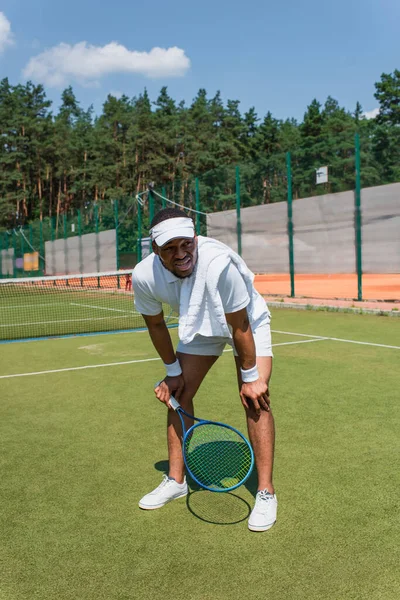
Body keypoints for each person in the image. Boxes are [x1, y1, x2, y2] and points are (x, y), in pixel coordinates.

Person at [132, 207, 277, 532]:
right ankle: (176, 480)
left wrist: (252, 378)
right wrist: (172, 371)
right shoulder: (144, 276)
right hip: (201, 323)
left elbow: (239, 326)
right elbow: (155, 325)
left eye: (186, 244)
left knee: (256, 398)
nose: (181, 254)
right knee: (178, 393)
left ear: (195, 239)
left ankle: (266, 492)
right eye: (170, 248)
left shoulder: (218, 265)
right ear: (155, 250)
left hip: (245, 321)